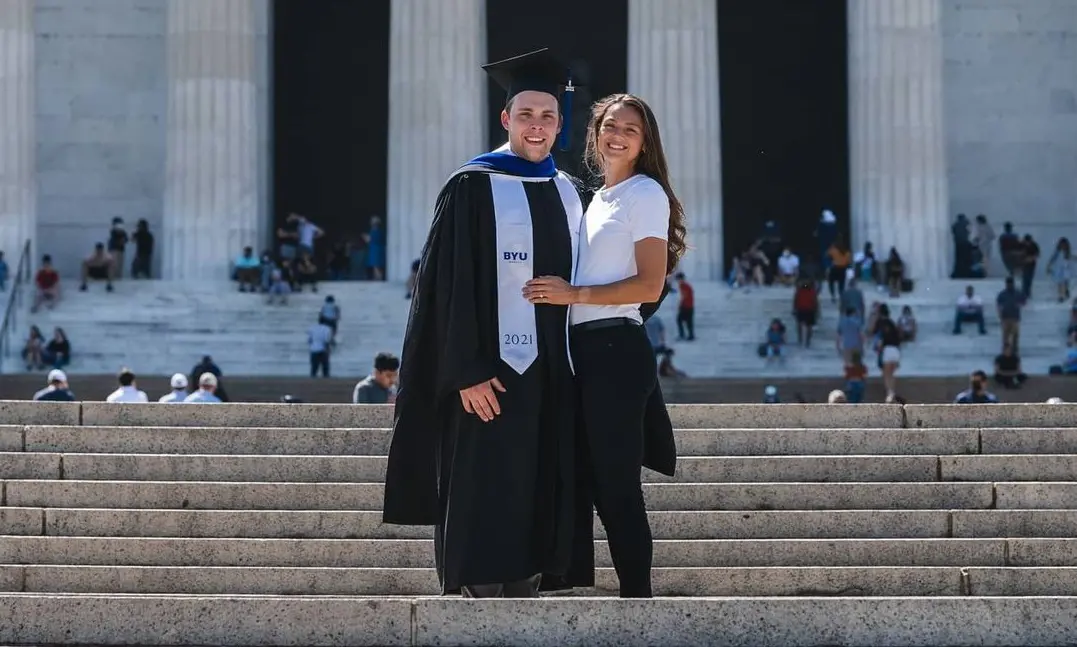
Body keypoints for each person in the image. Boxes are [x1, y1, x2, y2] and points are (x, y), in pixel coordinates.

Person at [382, 49, 589, 599]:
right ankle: (477, 588)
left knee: (536, 479)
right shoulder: (472, 186)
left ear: (560, 123)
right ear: (505, 119)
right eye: (526, 115)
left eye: (547, 116)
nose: (537, 126)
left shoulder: (567, 192)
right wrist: (466, 370)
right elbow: (445, 289)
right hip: (489, 374)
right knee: (485, 480)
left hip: (552, 373)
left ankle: (528, 581)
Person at [522, 91, 681, 598]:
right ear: (593, 133)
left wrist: (575, 294)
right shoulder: (593, 199)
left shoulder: (645, 194)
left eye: (630, 129)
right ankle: (567, 581)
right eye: (610, 124)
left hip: (616, 350)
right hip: (581, 353)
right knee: (578, 479)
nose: (617, 134)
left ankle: (638, 599)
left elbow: (650, 285)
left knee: (615, 485)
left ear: (644, 143)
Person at [872, 304, 902, 401]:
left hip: (887, 349)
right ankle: (892, 392)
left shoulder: (880, 322)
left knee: (886, 375)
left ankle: (889, 394)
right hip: (896, 350)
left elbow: (875, 334)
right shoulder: (892, 323)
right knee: (892, 374)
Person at [674, 272, 694, 341]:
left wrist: (680, 304)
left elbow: (684, 296)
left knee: (685, 321)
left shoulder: (685, 286)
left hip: (687, 306)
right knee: (683, 321)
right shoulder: (683, 286)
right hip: (687, 306)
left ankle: (687, 335)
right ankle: (687, 335)